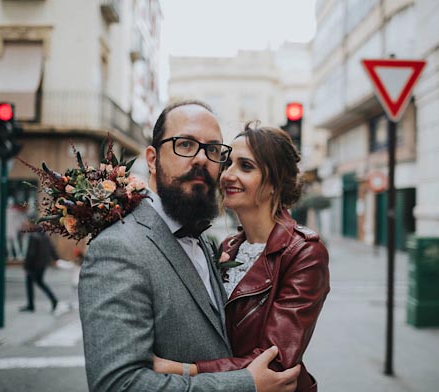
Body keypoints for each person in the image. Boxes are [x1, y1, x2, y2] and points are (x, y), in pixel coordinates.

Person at [78, 101, 299, 392]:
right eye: (184, 144)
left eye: (213, 150)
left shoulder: (205, 242)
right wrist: (244, 384)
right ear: (152, 159)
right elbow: (118, 385)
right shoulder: (118, 249)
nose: (201, 159)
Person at [152, 122, 330, 391]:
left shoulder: (304, 253)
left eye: (246, 166)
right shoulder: (228, 246)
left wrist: (187, 369)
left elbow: (276, 361)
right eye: (229, 164)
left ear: (275, 183)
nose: (227, 175)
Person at [20, 221, 59, 313]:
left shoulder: (33, 236)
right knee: (36, 282)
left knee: (38, 283)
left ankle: (52, 300)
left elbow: (31, 253)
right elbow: (51, 248)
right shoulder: (44, 235)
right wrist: (56, 258)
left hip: (33, 265)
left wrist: (26, 266)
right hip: (43, 264)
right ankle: (31, 304)